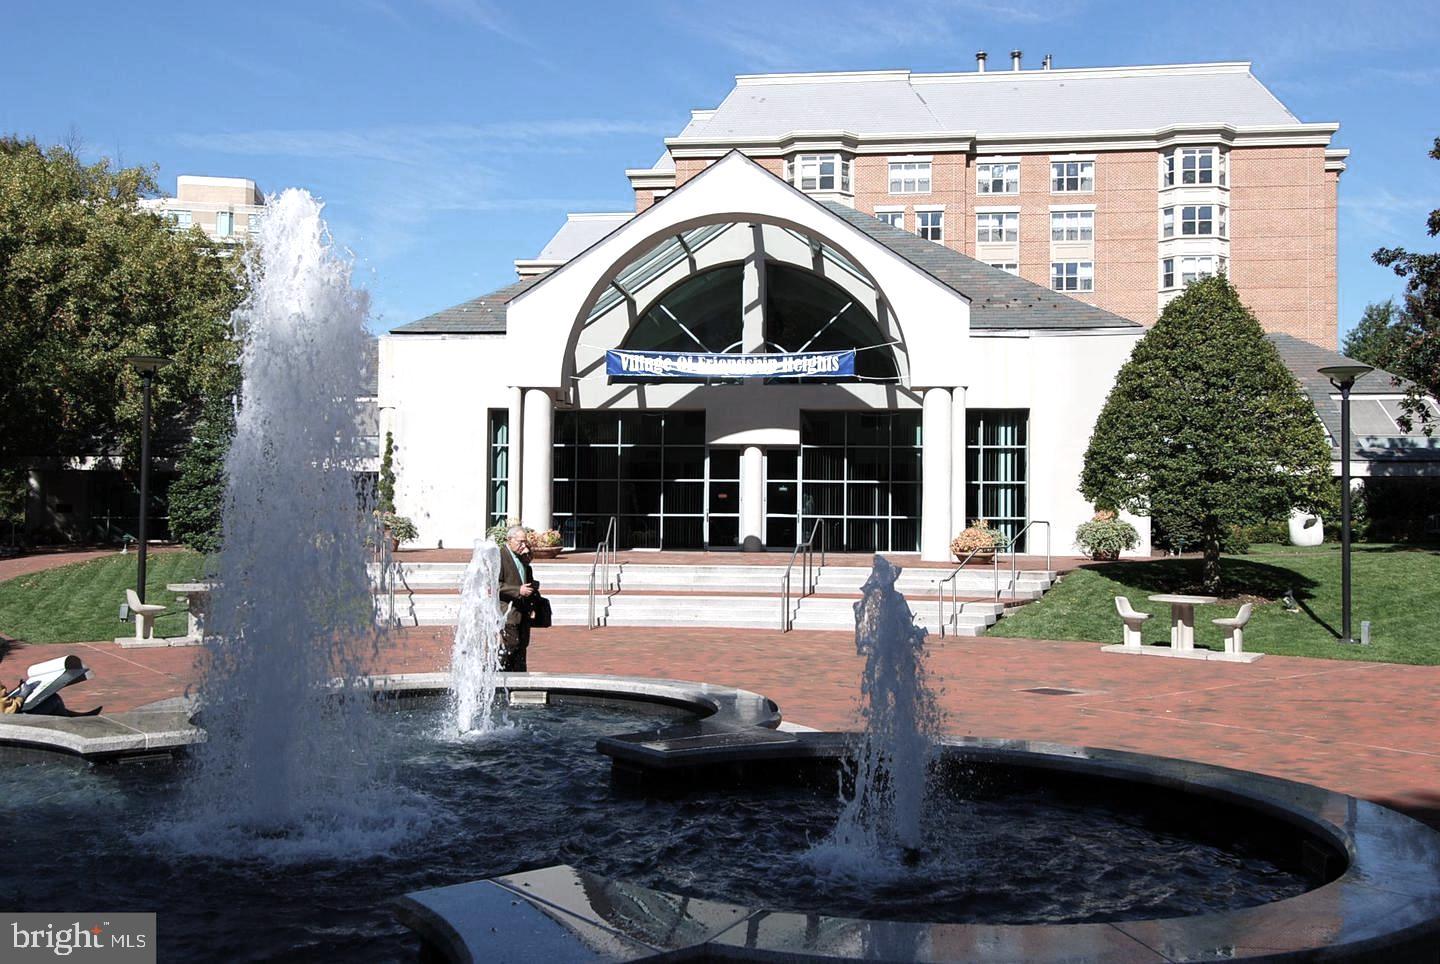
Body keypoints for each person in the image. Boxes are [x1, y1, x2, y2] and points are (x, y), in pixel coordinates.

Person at [497, 525, 538, 671]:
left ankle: (520, 679)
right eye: (520, 542)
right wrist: (517, 590)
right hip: (508, 612)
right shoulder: (500, 556)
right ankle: (501, 676)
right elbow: (494, 585)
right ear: (510, 540)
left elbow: (525, 576)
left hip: (523, 611)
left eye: (525, 542)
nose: (523, 545)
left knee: (522, 647)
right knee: (511, 646)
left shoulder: (521, 556)